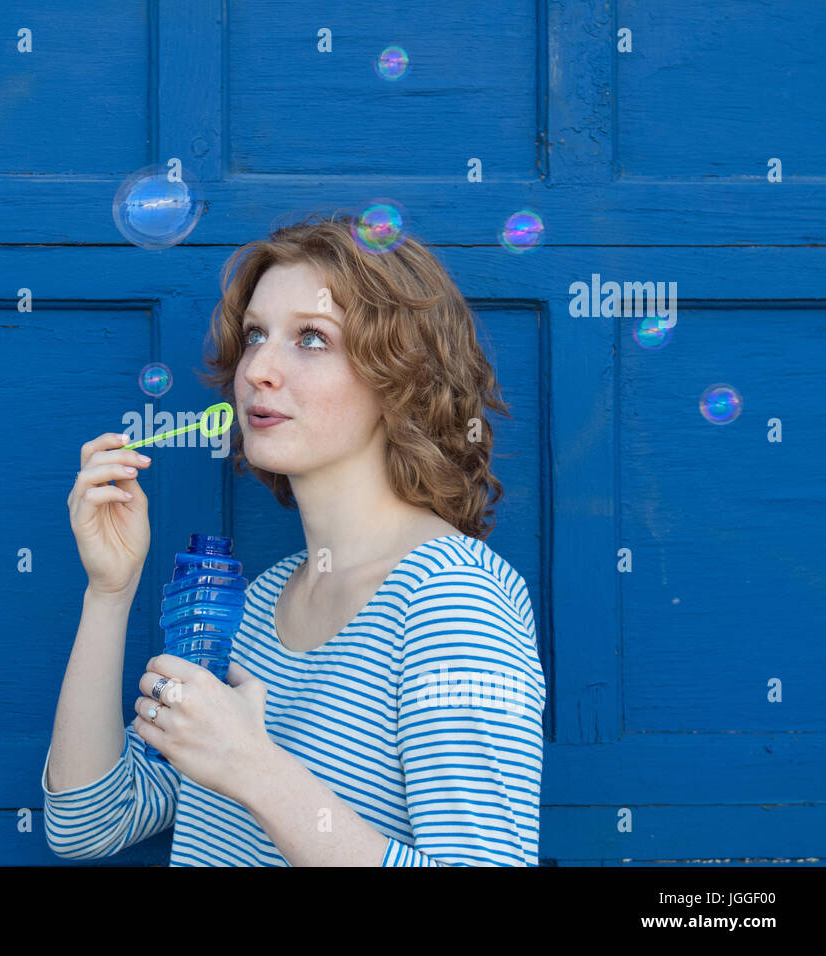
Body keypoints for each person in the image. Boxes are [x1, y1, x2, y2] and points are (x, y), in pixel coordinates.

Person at [43, 212, 546, 866]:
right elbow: (88, 822)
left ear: (400, 377)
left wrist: (253, 767)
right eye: (256, 335)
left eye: (311, 338)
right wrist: (110, 592)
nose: (258, 370)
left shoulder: (452, 601)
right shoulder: (257, 604)